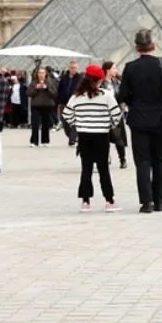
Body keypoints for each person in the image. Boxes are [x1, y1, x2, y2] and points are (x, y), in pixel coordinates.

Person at [117, 29, 162, 213]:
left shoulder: (130, 67)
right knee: (161, 160)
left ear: (137, 48)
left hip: (138, 121)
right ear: (154, 46)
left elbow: (123, 95)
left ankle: (146, 202)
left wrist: (135, 102)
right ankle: (159, 201)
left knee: (142, 162)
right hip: (161, 121)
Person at [63, 65, 123, 213]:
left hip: (84, 135)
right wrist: (109, 124)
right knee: (103, 169)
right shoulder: (106, 95)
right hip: (101, 135)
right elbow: (116, 115)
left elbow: (66, 114)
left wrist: (78, 124)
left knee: (86, 169)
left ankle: (85, 201)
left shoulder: (77, 96)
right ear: (99, 80)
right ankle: (109, 200)